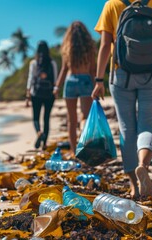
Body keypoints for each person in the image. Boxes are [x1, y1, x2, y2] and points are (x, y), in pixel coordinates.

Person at [92, 0, 152, 199]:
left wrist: (98, 80)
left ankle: (133, 185)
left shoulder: (112, 5)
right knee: (147, 126)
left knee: (127, 129)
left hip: (121, 74)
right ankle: (143, 165)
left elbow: (105, 45)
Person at [53, 21, 97, 158]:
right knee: (85, 117)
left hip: (70, 81)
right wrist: (98, 85)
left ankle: (73, 151)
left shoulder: (67, 48)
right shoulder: (89, 48)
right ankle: (85, 145)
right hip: (85, 81)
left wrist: (56, 87)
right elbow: (92, 70)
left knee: (72, 119)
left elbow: (64, 69)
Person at [26, 40, 58, 150]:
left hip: (36, 93)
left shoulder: (34, 63)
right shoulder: (52, 63)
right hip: (49, 94)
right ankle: (44, 144)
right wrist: (55, 91)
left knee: (36, 117)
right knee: (46, 118)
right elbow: (55, 80)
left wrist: (28, 93)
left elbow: (31, 78)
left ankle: (39, 133)